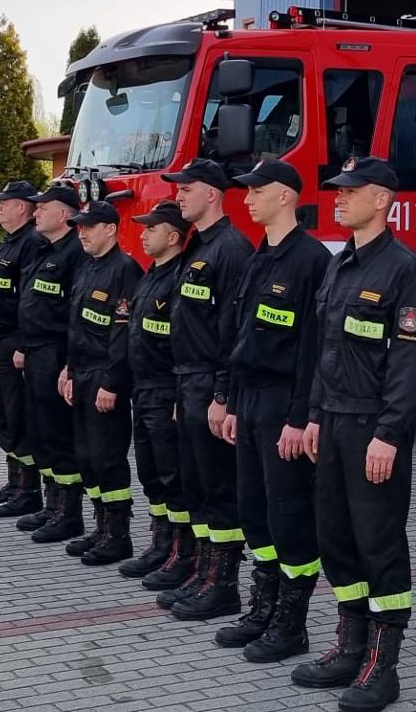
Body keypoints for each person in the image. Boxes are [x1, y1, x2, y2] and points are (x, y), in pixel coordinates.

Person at [289, 158, 416, 712]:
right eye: (336, 191)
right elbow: (323, 352)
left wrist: (389, 435)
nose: (337, 199)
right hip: (331, 423)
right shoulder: (339, 266)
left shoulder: (406, 271)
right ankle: (349, 646)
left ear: (381, 200)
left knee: (378, 543)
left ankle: (383, 665)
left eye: (349, 192)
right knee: (336, 538)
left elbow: (409, 364)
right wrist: (311, 415)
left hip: (373, 430)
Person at [217, 159, 331, 663]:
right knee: (255, 512)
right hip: (253, 401)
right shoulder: (260, 257)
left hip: (287, 403)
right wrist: (234, 402)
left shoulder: (310, 261)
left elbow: (314, 347)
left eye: (257, 191)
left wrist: (301, 417)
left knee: (290, 517)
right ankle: (262, 609)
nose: (247, 199)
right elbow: (241, 336)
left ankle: (292, 624)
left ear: (285, 196)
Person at [157, 158, 254, 620]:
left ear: (213, 194)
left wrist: (222, 396)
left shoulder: (231, 250)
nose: (179, 195)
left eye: (187, 188)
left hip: (210, 382)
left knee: (219, 487)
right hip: (187, 380)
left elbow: (233, 332)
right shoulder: (201, 245)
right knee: (196, 485)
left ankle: (225, 586)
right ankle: (204, 572)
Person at [57, 200, 144, 565]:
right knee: (86, 456)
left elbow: (123, 334)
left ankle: (119, 534)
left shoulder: (124, 269)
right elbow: (77, 326)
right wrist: (68, 369)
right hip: (81, 373)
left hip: (106, 377)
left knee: (108, 457)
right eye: (79, 226)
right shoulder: (86, 268)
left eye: (89, 227)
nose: (82, 233)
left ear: (110, 229)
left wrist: (112, 382)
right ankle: (101, 525)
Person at [12, 183, 90, 543]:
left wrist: (68, 365)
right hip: (36, 352)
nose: (36, 212)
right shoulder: (44, 249)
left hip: (57, 352)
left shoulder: (75, 252)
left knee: (60, 434)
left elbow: (73, 313)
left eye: (44, 208)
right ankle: (52, 503)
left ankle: (69, 513)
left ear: (65, 215)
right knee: (42, 432)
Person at [119, 201, 191, 583]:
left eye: (151, 229)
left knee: (171, 475)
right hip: (143, 390)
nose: (144, 234)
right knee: (149, 473)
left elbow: (183, 340)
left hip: (166, 390)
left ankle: (183, 553)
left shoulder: (180, 277)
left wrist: (180, 394)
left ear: (173, 236)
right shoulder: (150, 275)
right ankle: (162, 545)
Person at [0, 181, 43, 517]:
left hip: (13, 343)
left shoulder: (30, 243)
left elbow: (29, 299)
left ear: (23, 207)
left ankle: (29, 489)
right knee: (4, 414)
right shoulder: (12, 243)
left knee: (18, 415)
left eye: (5, 203)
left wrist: (22, 343)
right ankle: (15, 480)